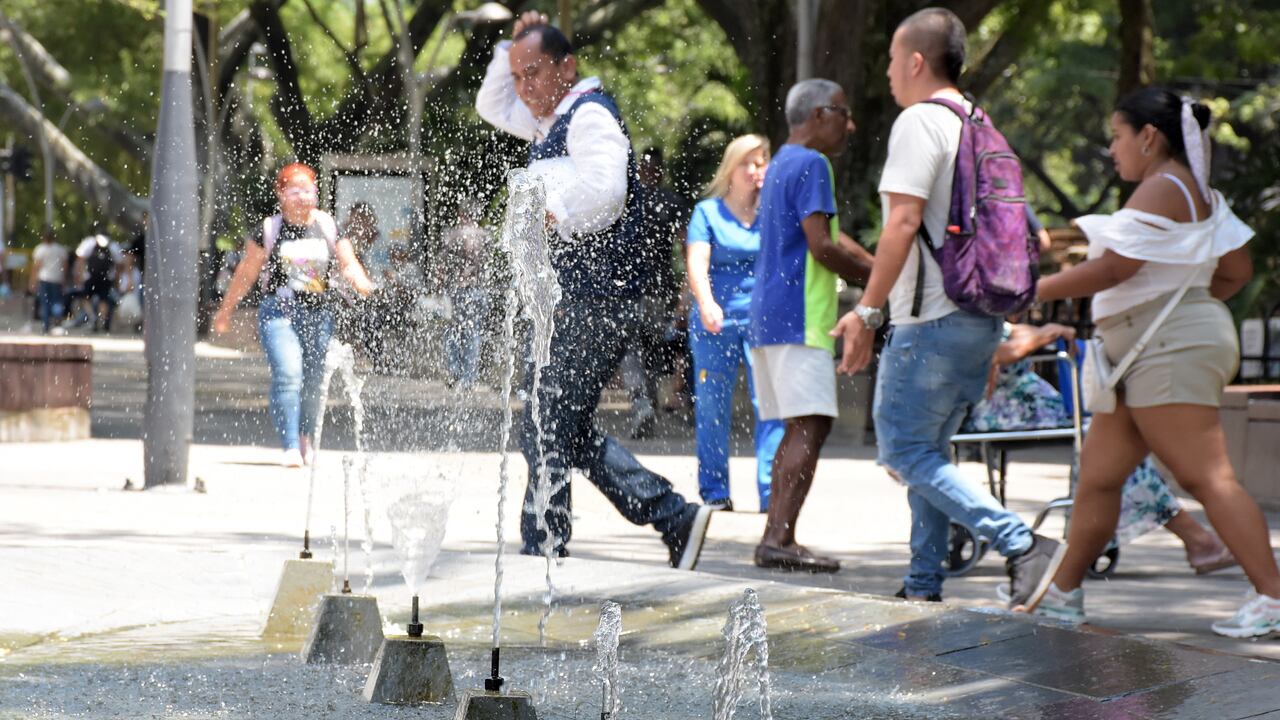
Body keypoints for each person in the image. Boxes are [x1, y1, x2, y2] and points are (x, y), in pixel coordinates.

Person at [1022, 88, 1279, 637]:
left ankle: (1274, 596)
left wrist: (1027, 289)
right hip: (1156, 346)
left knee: (1205, 476)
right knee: (1099, 477)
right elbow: (1235, 270)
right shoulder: (1198, 191)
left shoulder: (1163, 186)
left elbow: (1115, 268)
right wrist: (1179, 298)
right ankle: (1060, 596)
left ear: (1149, 136)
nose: (1112, 150)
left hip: (1165, 348)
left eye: (1116, 136)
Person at [832, 8, 1062, 604]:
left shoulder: (919, 122)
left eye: (889, 59)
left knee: (904, 450)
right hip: (979, 320)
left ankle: (1022, 544)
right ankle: (922, 583)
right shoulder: (981, 123)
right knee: (928, 455)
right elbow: (1017, 237)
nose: (885, 72)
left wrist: (867, 312)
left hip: (930, 321)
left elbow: (903, 221)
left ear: (914, 61)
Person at [475, 11, 713, 569]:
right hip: (572, 300)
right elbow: (490, 104)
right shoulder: (546, 119)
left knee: (547, 421)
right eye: (519, 77)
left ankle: (545, 546)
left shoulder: (589, 115)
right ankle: (670, 516)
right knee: (555, 422)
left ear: (567, 67)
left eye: (533, 73)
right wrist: (509, 46)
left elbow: (606, 190)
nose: (524, 88)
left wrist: (550, 215)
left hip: (596, 299)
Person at [970, 322, 1236, 578]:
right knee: (1108, 444)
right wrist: (1043, 335)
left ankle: (1192, 539)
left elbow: (1016, 332)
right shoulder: (960, 316)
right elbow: (1000, 353)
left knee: (1112, 442)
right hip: (1003, 415)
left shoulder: (988, 315)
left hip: (1039, 413)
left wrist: (1041, 331)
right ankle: (1195, 539)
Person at [749, 78, 874, 572]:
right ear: (819, 115)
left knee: (799, 425)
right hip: (799, 317)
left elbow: (829, 240)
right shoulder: (814, 163)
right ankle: (778, 539)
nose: (851, 123)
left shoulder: (781, 161)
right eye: (843, 112)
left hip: (770, 315)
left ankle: (776, 537)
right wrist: (878, 282)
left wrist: (883, 265)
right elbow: (823, 248)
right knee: (813, 422)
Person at [211, 163, 376, 468]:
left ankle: (305, 438)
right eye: (295, 191)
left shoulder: (328, 226)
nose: (303, 197)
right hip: (279, 313)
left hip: (318, 314)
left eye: (309, 190)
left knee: (313, 381)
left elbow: (347, 262)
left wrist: (364, 284)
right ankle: (289, 444)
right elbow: (246, 273)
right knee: (289, 374)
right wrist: (225, 311)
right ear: (281, 193)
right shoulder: (269, 229)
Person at [686, 134, 785, 513]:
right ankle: (714, 492)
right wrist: (706, 302)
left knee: (770, 407)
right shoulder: (708, 212)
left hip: (763, 323)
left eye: (761, 162)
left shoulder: (773, 213)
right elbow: (698, 262)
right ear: (731, 169)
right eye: (748, 162)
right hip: (716, 322)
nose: (755, 170)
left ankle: (770, 494)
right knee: (713, 406)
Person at [621, 147, 688, 439]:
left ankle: (641, 403)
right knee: (651, 348)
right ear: (660, 171)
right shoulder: (672, 202)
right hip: (660, 289)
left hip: (629, 288)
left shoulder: (625, 199)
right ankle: (648, 402)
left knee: (630, 349)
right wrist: (688, 289)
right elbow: (688, 246)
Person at [441, 203, 493, 389]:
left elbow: (444, 265)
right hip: (479, 290)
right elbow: (487, 265)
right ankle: (469, 378)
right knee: (474, 333)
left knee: (453, 331)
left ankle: (455, 373)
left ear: (460, 214)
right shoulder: (485, 236)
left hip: (458, 290)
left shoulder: (452, 235)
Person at [72, 229, 124, 333]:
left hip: (90, 277)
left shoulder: (89, 243)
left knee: (86, 298)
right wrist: (117, 280)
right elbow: (119, 264)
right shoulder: (113, 246)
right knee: (103, 300)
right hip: (106, 277)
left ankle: (93, 317)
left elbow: (80, 259)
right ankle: (102, 321)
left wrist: (78, 275)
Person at [28, 226, 69, 335]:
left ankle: (46, 326)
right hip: (57, 278)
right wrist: (63, 279)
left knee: (45, 303)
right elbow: (65, 266)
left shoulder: (40, 249)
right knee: (57, 302)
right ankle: (57, 322)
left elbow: (37, 267)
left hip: (44, 278)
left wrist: (32, 281)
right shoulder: (60, 249)